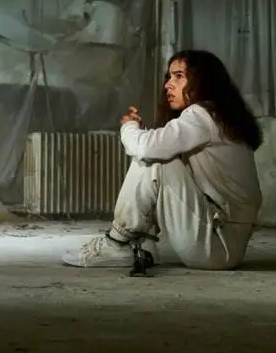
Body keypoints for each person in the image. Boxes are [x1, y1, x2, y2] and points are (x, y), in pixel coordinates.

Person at [61, 49, 263, 271]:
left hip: (215, 244)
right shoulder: (218, 117)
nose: (168, 84)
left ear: (204, 82)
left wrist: (129, 127)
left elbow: (147, 147)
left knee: (155, 160)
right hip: (222, 243)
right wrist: (142, 135)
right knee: (157, 154)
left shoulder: (202, 115)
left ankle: (119, 242)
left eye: (179, 76)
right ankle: (139, 245)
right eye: (169, 77)